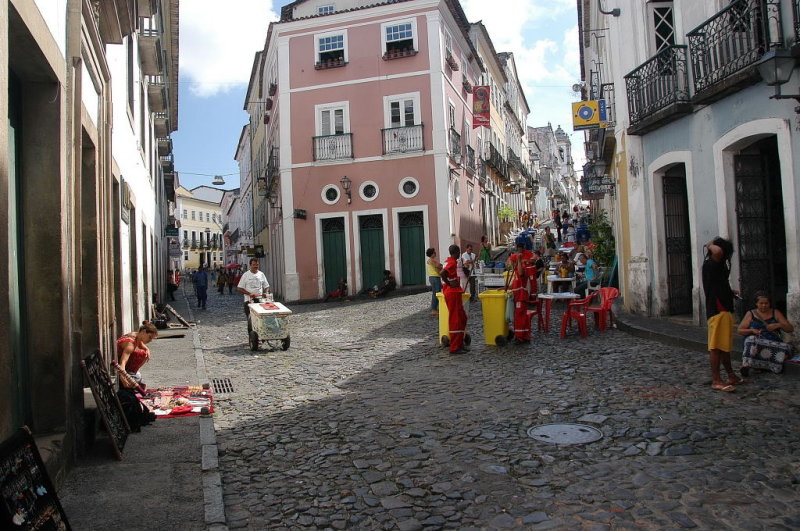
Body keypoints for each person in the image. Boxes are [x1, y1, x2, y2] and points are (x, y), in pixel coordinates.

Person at [702, 237, 742, 392]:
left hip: (724, 308)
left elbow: (718, 284)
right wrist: (709, 244)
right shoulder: (712, 263)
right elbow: (717, 250)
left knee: (724, 346)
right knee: (716, 347)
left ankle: (731, 375)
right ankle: (716, 380)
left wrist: (729, 292)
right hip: (718, 310)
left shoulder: (716, 266)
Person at [738, 291, 794, 375]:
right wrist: (752, 331)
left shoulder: (775, 312)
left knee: (786, 348)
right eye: (761, 303)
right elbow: (740, 330)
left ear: (769, 303)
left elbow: (790, 329)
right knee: (750, 339)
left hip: (772, 341)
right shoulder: (751, 314)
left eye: (766, 303)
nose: (764, 305)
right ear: (756, 304)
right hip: (757, 342)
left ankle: (768, 366)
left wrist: (778, 325)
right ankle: (746, 365)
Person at [116, 321, 158, 431]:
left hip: (125, 369)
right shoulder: (130, 344)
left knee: (142, 353)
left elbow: (140, 343)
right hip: (120, 369)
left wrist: (147, 349)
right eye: (149, 337)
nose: (150, 341)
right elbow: (122, 363)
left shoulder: (135, 335)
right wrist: (123, 378)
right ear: (144, 331)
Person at [441, 245, 468, 353]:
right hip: (452, 292)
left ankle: (459, 343)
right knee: (456, 320)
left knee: (462, 318)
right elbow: (442, 273)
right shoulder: (452, 262)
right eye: (459, 252)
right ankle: (455, 347)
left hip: (453, 292)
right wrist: (449, 283)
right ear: (456, 252)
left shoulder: (449, 261)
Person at [426, 248, 443, 315]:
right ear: (431, 254)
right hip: (434, 277)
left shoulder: (432, 260)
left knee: (436, 293)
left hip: (434, 277)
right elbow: (439, 265)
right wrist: (440, 265)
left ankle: (435, 308)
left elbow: (439, 265)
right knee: (436, 293)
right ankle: (433, 309)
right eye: (434, 252)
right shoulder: (431, 260)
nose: (435, 253)